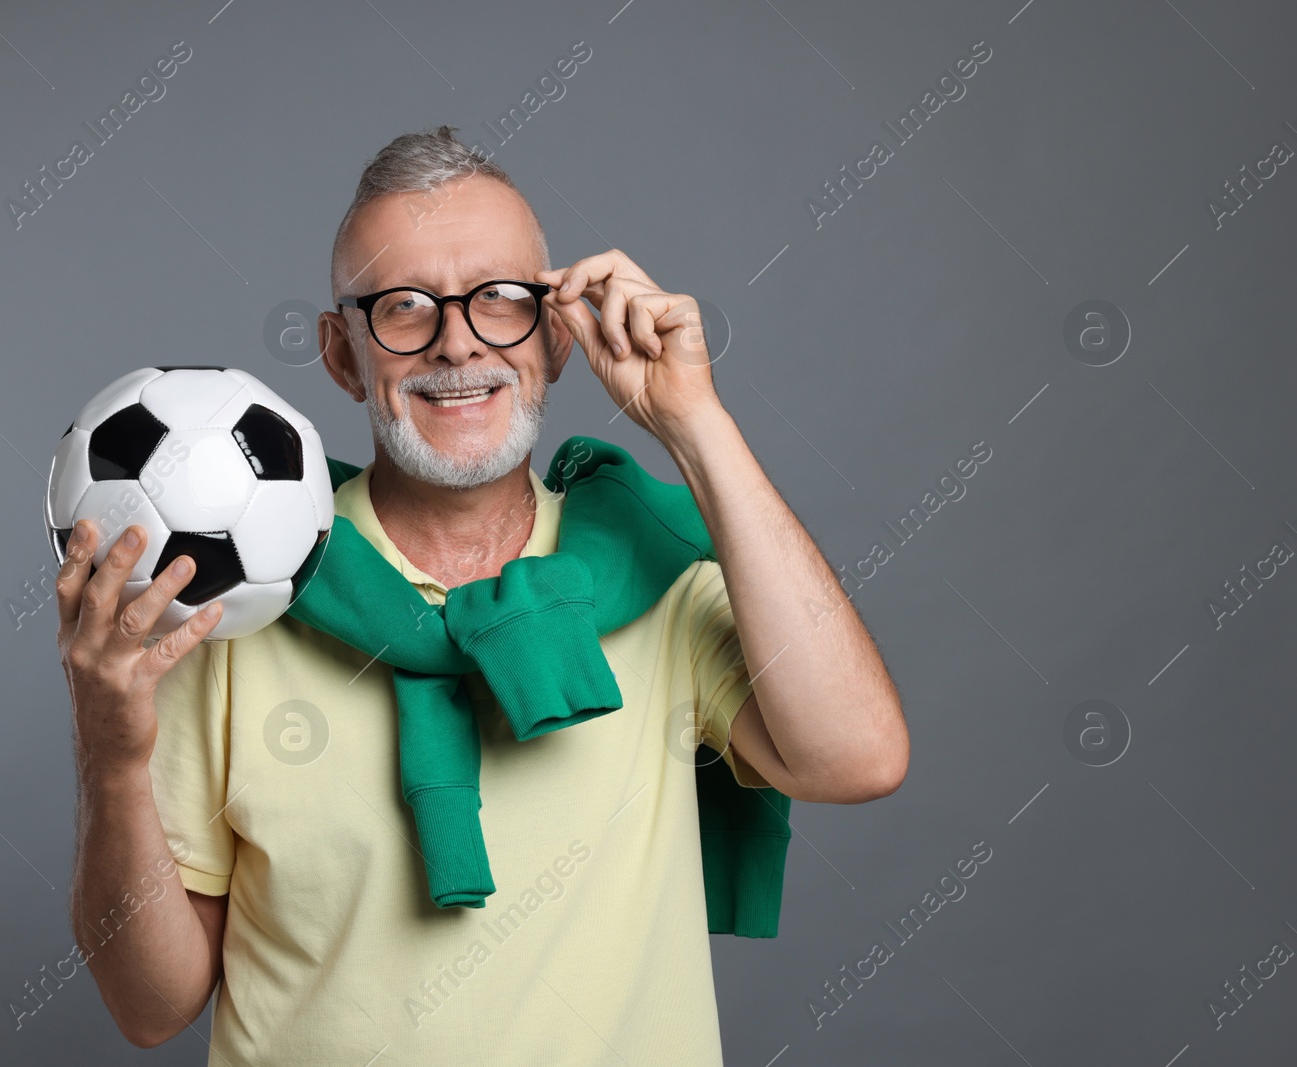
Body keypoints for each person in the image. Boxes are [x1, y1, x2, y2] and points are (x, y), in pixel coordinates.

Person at [56, 126, 908, 1064]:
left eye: (501, 300)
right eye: (406, 307)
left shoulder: (645, 575)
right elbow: (150, 1005)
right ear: (343, 356)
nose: (457, 342)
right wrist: (109, 753)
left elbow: (855, 758)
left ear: (556, 336)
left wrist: (696, 424)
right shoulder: (233, 600)